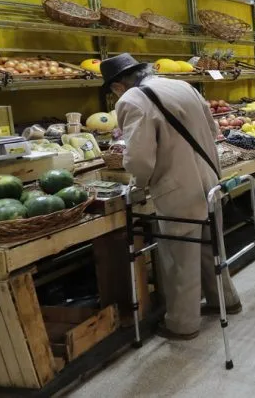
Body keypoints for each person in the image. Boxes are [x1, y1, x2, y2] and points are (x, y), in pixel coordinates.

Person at [102, 53, 240, 341]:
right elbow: (213, 130)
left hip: (177, 188)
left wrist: (137, 184)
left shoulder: (131, 100)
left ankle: (182, 324)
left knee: (180, 257)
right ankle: (225, 300)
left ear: (117, 86)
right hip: (210, 179)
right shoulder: (183, 86)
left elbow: (139, 158)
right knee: (211, 246)